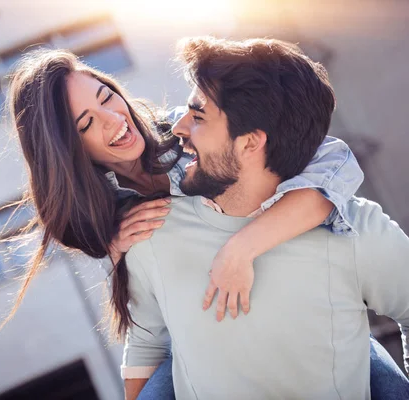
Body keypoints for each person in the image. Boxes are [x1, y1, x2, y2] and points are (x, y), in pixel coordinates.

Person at [0, 48, 407, 399]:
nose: (112, 118)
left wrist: (241, 247)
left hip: (296, 319)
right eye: (86, 123)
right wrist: (117, 247)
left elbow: (331, 163)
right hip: (190, 336)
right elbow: (145, 333)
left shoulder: (188, 130)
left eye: (107, 97)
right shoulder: (104, 216)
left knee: (370, 373)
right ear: (69, 151)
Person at [122, 36, 409, 399]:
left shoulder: (355, 230)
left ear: (250, 143)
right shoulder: (153, 232)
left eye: (198, 116)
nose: (178, 129)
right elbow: (147, 346)